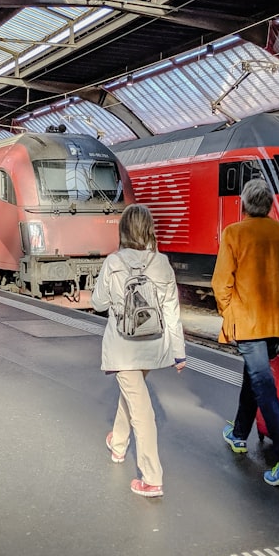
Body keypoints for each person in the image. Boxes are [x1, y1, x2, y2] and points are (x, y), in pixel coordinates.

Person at [211, 179, 279, 487]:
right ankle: (239, 433)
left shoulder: (234, 234)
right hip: (278, 324)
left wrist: (230, 313)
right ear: (269, 205)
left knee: (263, 386)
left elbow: (220, 284)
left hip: (249, 323)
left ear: (243, 205)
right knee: (254, 379)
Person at [91, 203, 187, 499]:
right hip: (153, 346)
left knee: (142, 410)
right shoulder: (162, 263)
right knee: (132, 393)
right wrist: (178, 352)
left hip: (124, 348)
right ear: (148, 229)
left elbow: (98, 304)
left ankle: (152, 477)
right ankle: (118, 444)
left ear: (123, 230)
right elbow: (172, 311)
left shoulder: (113, 262)